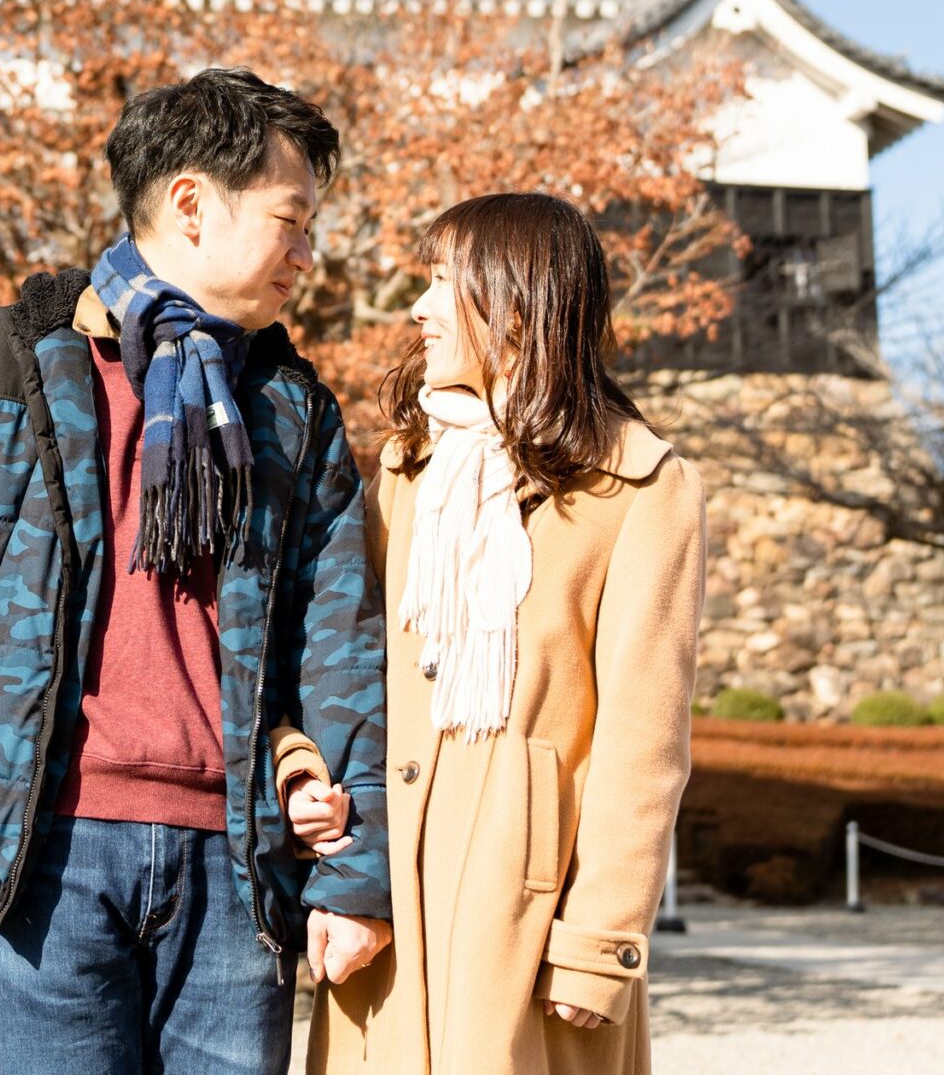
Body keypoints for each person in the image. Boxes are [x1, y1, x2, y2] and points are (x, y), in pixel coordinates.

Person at [0, 68, 392, 1075]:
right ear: (191, 202)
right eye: (291, 221)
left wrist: (357, 874)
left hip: (236, 864)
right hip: (47, 855)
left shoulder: (290, 407)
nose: (307, 255)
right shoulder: (1, 365)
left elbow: (341, 639)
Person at [280, 192, 706, 1074]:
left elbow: (644, 741)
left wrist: (597, 943)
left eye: (443, 283)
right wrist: (307, 778)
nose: (419, 309)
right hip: (389, 893)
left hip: (528, 911)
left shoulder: (640, 485)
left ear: (517, 302)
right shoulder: (407, 466)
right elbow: (343, 656)